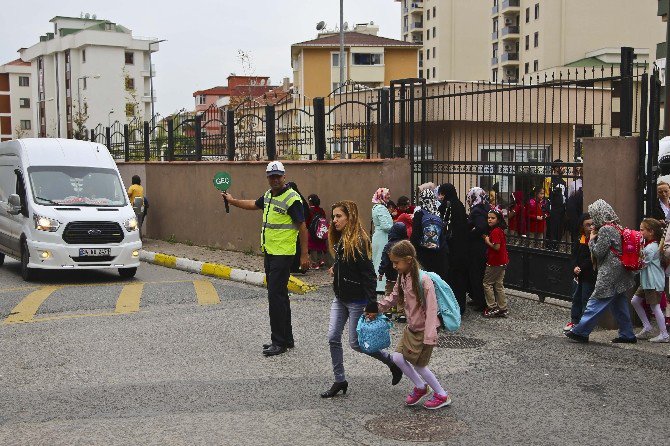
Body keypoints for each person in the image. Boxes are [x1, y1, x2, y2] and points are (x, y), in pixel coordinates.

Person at [221, 161, 309, 356]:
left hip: (283, 254)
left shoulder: (292, 199)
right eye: (271, 176)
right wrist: (233, 200)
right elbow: (253, 203)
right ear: (268, 178)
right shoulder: (269, 195)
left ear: (284, 177)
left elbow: (302, 227)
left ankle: (278, 342)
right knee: (280, 296)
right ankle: (287, 338)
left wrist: (304, 255)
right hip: (270, 252)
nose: (275, 179)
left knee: (275, 298)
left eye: (278, 176)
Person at [321, 200, 402, 398]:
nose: (334, 220)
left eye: (339, 216)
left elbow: (368, 274)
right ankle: (340, 380)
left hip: (357, 300)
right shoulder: (341, 239)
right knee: (333, 337)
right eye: (333, 216)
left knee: (357, 344)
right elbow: (347, 264)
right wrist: (337, 268)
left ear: (350, 217)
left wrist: (372, 304)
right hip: (340, 297)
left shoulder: (358, 241)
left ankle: (392, 362)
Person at [372, 240, 452, 410]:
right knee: (397, 357)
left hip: (424, 330)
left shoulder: (424, 281)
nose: (394, 266)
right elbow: (394, 296)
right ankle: (421, 387)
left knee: (419, 365)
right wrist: (376, 308)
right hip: (412, 327)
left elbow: (432, 309)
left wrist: (430, 335)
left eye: (396, 262)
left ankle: (442, 395)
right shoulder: (403, 276)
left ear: (408, 260)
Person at [565, 199, 637, 344]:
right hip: (620, 271)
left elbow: (599, 252)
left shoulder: (605, 229)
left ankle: (581, 331)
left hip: (610, 272)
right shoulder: (616, 226)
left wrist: (591, 240)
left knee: (596, 300)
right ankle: (627, 334)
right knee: (619, 303)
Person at [631, 218, 669, 343]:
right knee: (635, 301)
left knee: (655, 306)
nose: (640, 232)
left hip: (653, 282)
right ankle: (647, 326)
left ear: (651, 231)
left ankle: (664, 334)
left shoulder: (651, 248)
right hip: (647, 282)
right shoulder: (652, 246)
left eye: (642, 230)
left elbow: (642, 263)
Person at [437, 183, 468, 315]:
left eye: (442, 193)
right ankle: (461, 305)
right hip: (462, 248)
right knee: (460, 278)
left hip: (450, 249)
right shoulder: (459, 205)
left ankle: (451, 307)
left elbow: (443, 227)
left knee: (451, 278)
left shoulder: (447, 206)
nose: (440, 196)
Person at [563, 213, 596, 332]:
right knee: (576, 297)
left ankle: (583, 323)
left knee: (585, 299)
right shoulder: (580, 238)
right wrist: (574, 267)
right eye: (587, 225)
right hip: (578, 275)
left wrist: (580, 267)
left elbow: (591, 258)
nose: (590, 227)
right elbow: (574, 255)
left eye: (592, 224)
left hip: (588, 275)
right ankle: (575, 321)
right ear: (582, 226)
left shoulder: (593, 239)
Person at [411, 188, 448, 281]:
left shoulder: (419, 214)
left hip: (423, 254)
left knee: (425, 281)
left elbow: (415, 236)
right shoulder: (438, 213)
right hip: (439, 254)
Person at [466, 187, 491, 312]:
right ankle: (481, 299)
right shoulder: (486, 207)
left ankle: (480, 301)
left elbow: (480, 226)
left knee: (476, 274)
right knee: (482, 274)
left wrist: (470, 234)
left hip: (477, 247)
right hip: (484, 245)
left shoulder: (476, 210)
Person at [378, 222, 409, 322]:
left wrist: (381, 272)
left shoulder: (389, 245)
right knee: (402, 292)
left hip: (391, 274)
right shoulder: (406, 244)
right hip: (403, 274)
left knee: (390, 291)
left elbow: (385, 261)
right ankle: (402, 313)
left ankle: (388, 310)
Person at [482, 208, 509, 318]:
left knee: (487, 283)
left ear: (498, 219)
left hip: (495, 262)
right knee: (498, 284)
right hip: (502, 261)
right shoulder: (499, 230)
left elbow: (496, 247)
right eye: (488, 218)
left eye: (493, 218)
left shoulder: (496, 231)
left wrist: (487, 241)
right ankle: (503, 308)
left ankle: (492, 306)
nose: (490, 220)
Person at [372, 188, 394, 293]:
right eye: (386, 194)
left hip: (380, 236)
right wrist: (395, 226)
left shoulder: (378, 207)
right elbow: (385, 226)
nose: (389, 196)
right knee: (382, 259)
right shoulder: (381, 208)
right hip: (382, 237)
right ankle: (380, 286)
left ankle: (378, 284)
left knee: (378, 259)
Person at [287, 182, 310, 275]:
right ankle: (296, 267)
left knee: (298, 249)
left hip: (298, 229)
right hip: (296, 229)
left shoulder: (297, 201)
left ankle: (297, 267)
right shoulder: (300, 200)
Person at [545, 161, 568, 250]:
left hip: (561, 210)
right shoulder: (549, 179)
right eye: (562, 166)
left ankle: (556, 247)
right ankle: (550, 248)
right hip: (553, 209)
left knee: (559, 230)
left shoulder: (564, 181)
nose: (564, 168)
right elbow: (546, 195)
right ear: (556, 168)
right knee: (551, 231)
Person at [307, 194, 328, 270]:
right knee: (320, 246)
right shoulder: (321, 210)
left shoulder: (310, 210)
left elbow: (307, 220)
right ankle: (321, 260)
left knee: (312, 247)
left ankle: (314, 263)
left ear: (310, 202)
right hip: (320, 231)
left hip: (312, 231)